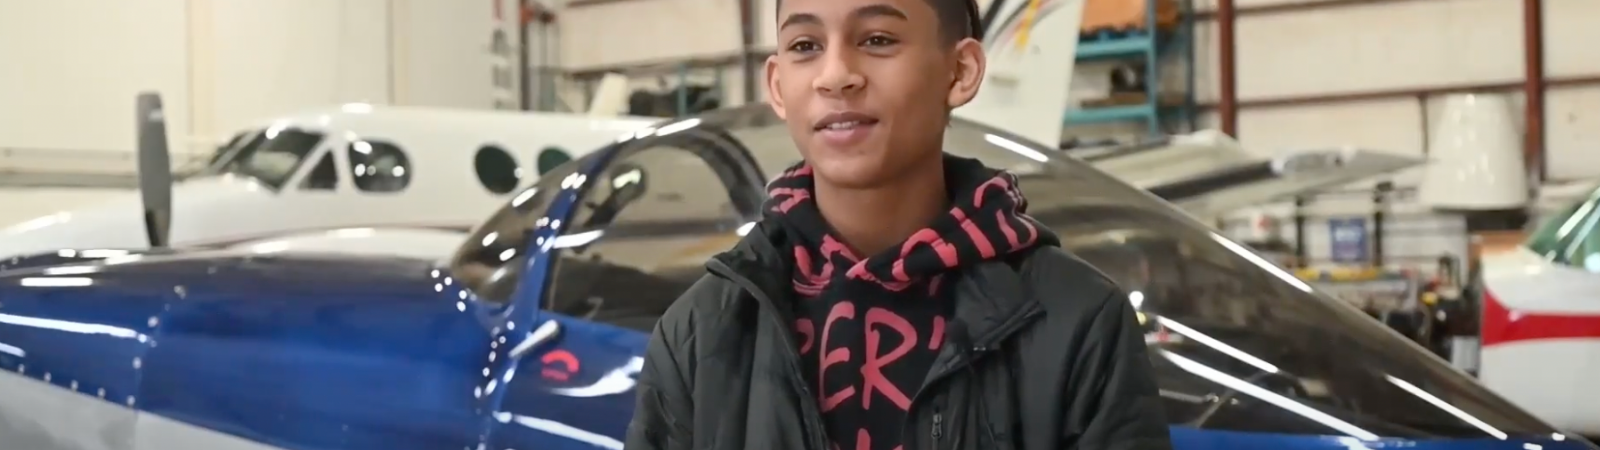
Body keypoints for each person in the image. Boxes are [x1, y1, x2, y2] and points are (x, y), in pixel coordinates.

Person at [623, 0, 1172, 448]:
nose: (835, 76)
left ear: (960, 71)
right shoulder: (700, 332)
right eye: (805, 46)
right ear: (776, 85)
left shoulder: (1078, 321)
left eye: (878, 39)